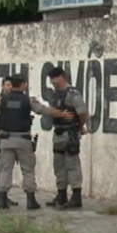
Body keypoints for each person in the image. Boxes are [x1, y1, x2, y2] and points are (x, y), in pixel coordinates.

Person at [0, 74, 71, 210]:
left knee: (5, 170)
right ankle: (30, 200)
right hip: (23, 139)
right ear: (23, 85)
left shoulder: (1, 101)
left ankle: (2, 199)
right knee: (28, 170)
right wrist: (62, 113)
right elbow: (43, 110)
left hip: (6, 139)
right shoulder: (28, 101)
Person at [45, 67, 88, 210]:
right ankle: (61, 194)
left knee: (72, 165)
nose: (53, 83)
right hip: (58, 133)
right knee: (59, 166)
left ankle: (76, 196)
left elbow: (82, 113)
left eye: (55, 79)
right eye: (51, 80)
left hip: (69, 133)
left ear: (62, 77)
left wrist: (79, 127)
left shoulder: (72, 93)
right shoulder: (56, 94)